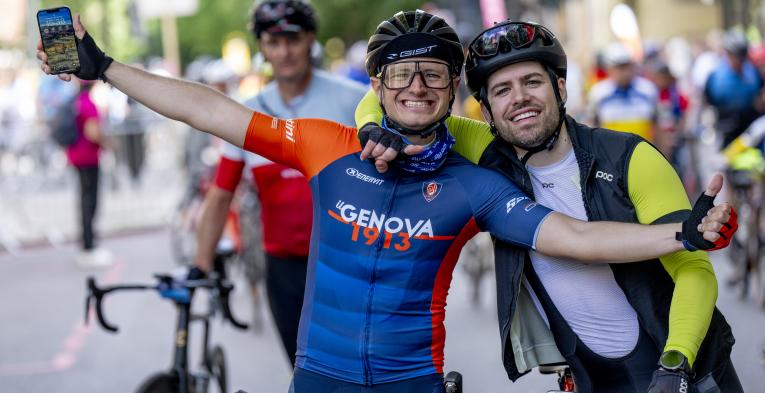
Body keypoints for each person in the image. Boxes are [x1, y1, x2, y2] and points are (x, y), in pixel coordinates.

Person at [38, 11, 735, 392]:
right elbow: (207, 111)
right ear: (378, 84)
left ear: (452, 90)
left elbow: (577, 239)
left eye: (433, 74)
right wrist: (104, 69)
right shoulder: (329, 145)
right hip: (319, 377)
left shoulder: (477, 184)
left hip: (414, 380)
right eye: (399, 75)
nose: (416, 87)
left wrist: (682, 234)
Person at [356, 20, 742, 393]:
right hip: (590, 378)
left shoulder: (629, 157)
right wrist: (371, 127)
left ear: (560, 89)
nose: (519, 96)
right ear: (486, 112)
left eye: (532, 82)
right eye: (502, 89)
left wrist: (676, 360)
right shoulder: (487, 155)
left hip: (684, 370)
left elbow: (693, 268)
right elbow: (395, 97)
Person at [193, 0, 367, 366]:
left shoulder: (352, 100)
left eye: (293, 39)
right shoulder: (245, 113)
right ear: (262, 47)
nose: (284, 51)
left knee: (360, 373)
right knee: (305, 373)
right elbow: (221, 193)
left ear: (310, 39)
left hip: (351, 264)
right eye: (274, 41)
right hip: (284, 269)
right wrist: (201, 265)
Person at [66, 78, 113, 268]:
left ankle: (87, 243)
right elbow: (92, 132)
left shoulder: (77, 102)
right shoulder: (88, 104)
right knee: (89, 202)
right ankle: (88, 245)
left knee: (84, 201)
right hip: (88, 158)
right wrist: (108, 144)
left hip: (77, 156)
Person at [587, 42, 658, 142]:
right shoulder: (598, 93)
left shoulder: (648, 89)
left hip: (643, 151)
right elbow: (591, 126)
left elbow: (657, 124)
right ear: (609, 69)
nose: (624, 72)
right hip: (610, 153)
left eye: (627, 66)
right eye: (619, 67)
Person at [704, 30, 764, 149]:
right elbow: (708, 101)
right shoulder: (715, 77)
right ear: (728, 54)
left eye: (742, 55)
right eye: (736, 55)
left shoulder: (753, 72)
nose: (739, 60)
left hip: (751, 129)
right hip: (726, 131)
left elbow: (760, 94)